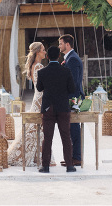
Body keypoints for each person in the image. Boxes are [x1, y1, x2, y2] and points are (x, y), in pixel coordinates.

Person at [8, 42, 52, 167]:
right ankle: (35, 157)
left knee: (35, 130)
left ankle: (38, 157)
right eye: (43, 49)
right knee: (35, 130)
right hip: (40, 100)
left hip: (37, 99)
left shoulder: (35, 65)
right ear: (38, 51)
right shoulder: (38, 66)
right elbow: (42, 87)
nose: (45, 52)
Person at [36, 45, 77, 173]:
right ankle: (70, 165)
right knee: (65, 136)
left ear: (47, 57)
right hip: (63, 107)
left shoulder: (42, 72)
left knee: (47, 138)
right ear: (59, 56)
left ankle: (45, 166)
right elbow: (72, 89)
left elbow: (39, 88)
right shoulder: (66, 71)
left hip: (48, 108)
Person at [59, 34, 83, 166]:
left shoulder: (72, 59)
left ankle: (77, 158)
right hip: (71, 97)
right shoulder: (70, 58)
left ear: (67, 44)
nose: (59, 46)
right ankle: (73, 157)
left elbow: (72, 82)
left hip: (72, 98)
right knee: (71, 128)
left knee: (73, 128)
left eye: (61, 44)